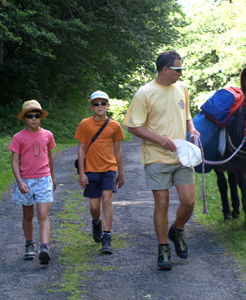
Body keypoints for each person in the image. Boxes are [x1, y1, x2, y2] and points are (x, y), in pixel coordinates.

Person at [123, 51, 200, 270]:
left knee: (189, 202)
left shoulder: (182, 89)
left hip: (182, 156)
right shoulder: (145, 93)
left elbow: (186, 115)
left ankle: (177, 230)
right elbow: (133, 126)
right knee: (162, 204)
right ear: (165, 69)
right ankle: (163, 248)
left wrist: (192, 129)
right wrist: (159, 139)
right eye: (178, 69)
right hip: (156, 157)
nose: (181, 73)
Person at [9, 100, 57, 265]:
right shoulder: (18, 137)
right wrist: (19, 181)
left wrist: (52, 177)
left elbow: (49, 157)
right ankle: (29, 244)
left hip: (44, 179)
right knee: (28, 215)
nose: (33, 119)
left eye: (36, 115)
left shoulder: (47, 135)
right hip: (26, 180)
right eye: (30, 116)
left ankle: (45, 247)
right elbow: (14, 161)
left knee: (43, 215)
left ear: (41, 117)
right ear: (24, 118)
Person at [76, 91, 125, 254]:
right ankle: (96, 222)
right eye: (96, 104)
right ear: (91, 107)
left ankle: (107, 236)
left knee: (107, 201)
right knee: (94, 206)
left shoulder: (114, 126)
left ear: (108, 106)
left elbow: (118, 150)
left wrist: (121, 172)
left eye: (103, 103)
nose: (100, 107)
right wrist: (82, 173)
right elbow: (81, 150)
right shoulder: (84, 124)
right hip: (91, 170)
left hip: (109, 169)